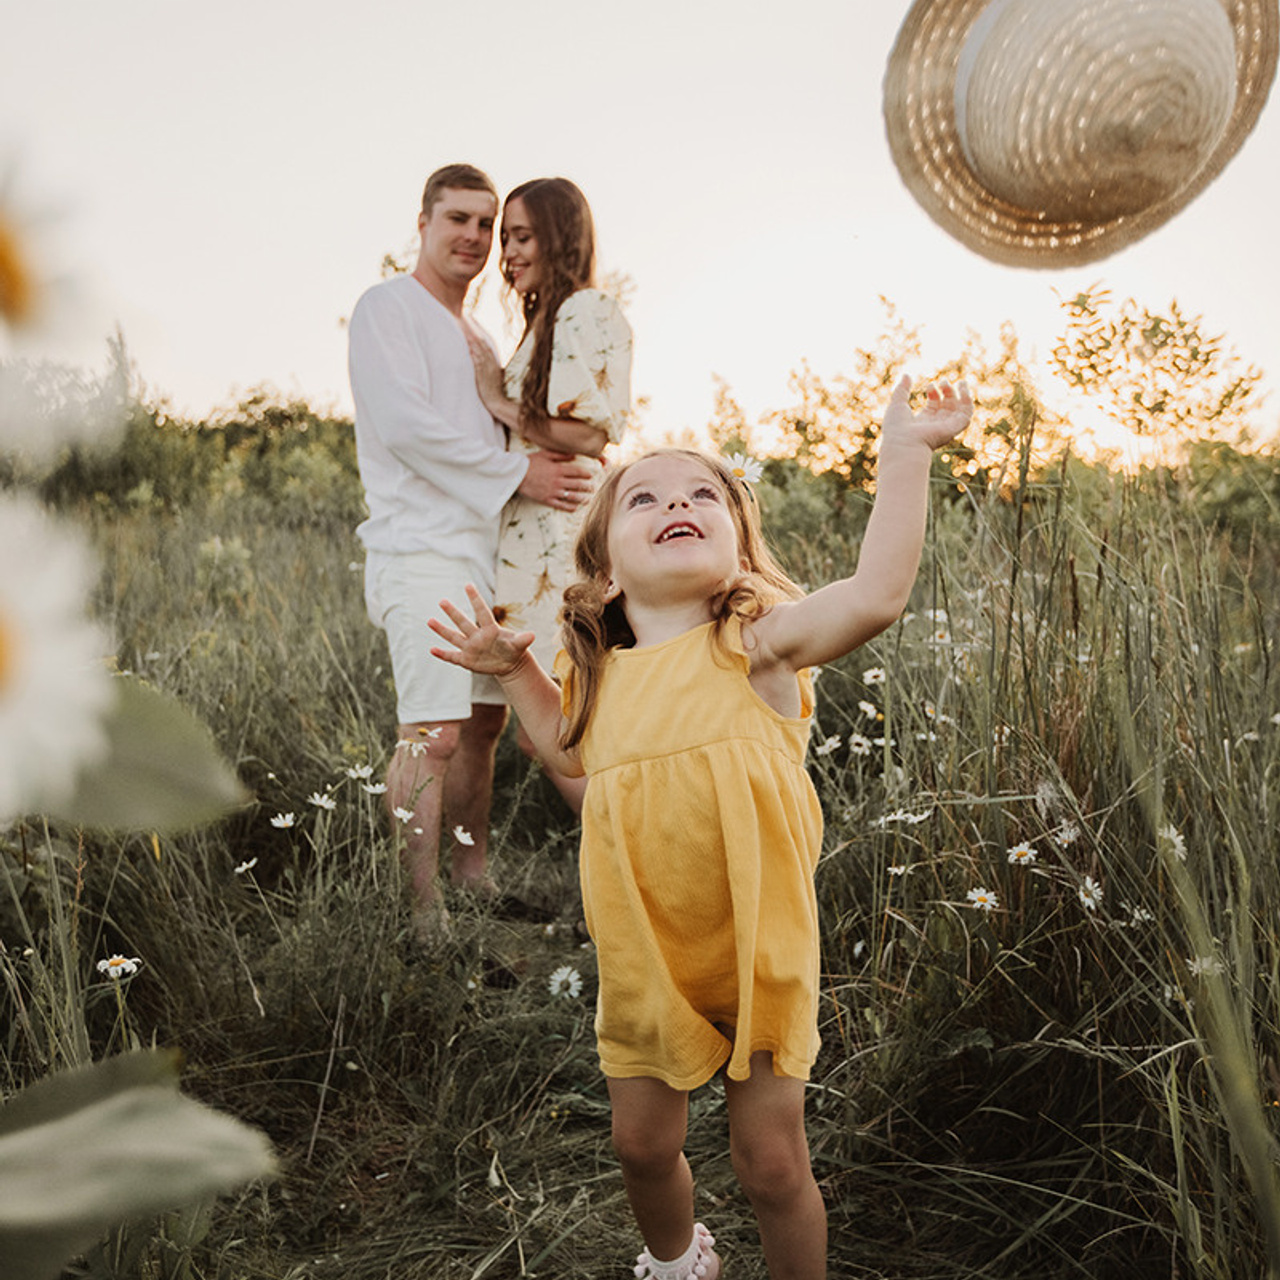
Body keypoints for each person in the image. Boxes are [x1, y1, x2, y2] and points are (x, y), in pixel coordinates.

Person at [428, 375, 974, 1279]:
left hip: (757, 952)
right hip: (646, 955)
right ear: (606, 568)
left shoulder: (757, 646)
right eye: (645, 497)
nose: (677, 503)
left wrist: (907, 453)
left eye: (701, 496)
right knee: (640, 1147)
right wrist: (517, 670)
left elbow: (876, 594)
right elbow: (569, 757)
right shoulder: (600, 675)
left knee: (771, 1164)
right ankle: (680, 1260)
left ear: (736, 542)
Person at [347, 163, 597, 941]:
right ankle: (422, 920)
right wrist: (517, 471)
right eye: (457, 218)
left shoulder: (480, 334)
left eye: (488, 224)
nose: (475, 237)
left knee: (483, 731)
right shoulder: (388, 307)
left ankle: (473, 879)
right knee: (434, 733)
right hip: (419, 550)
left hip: (489, 559)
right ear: (422, 222)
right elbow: (402, 425)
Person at [466, 177, 632, 814]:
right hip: (532, 545)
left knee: (559, 726)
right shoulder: (549, 317)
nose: (507, 251)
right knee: (553, 727)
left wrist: (497, 403)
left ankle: (635, 857)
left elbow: (586, 429)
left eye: (522, 235)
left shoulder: (583, 310)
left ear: (561, 237)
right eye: (505, 237)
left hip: (558, 544)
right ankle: (628, 860)